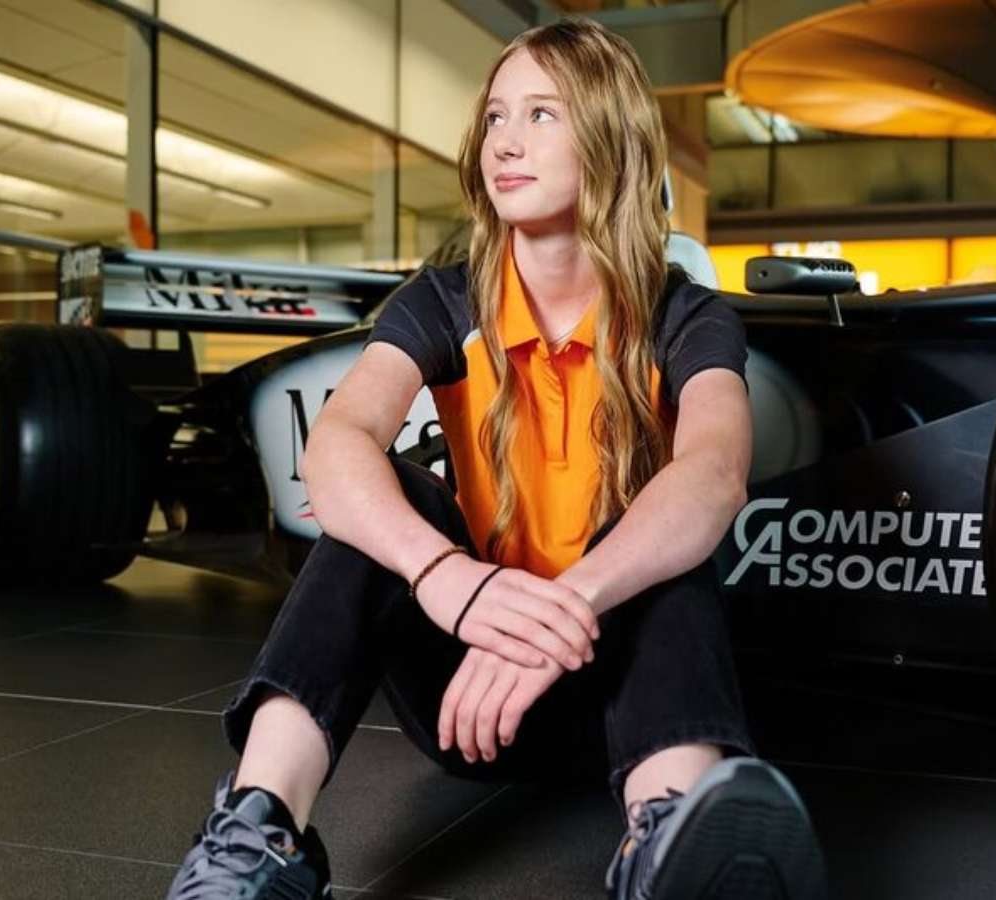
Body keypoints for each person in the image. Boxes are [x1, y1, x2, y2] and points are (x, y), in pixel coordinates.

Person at [165, 16, 827, 900]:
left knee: (659, 528)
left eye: (542, 114)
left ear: (611, 137)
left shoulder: (687, 316)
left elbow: (713, 475)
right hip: (470, 696)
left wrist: (563, 609)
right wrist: (451, 581)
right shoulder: (445, 301)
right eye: (495, 117)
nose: (504, 143)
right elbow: (337, 444)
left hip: (622, 694)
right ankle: (257, 834)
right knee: (390, 497)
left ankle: (670, 835)